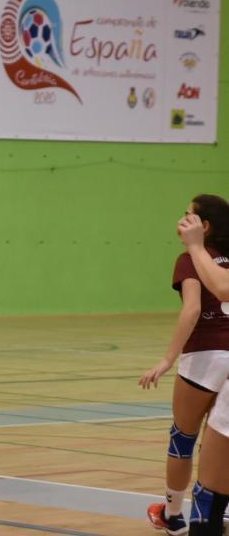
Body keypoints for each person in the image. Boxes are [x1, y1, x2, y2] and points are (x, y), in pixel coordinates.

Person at [140, 195, 229, 535]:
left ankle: (173, 515)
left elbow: (192, 311)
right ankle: (218, 509)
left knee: (183, 438)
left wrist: (167, 359)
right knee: (220, 442)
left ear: (204, 226)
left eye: (188, 215)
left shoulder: (191, 258)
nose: (181, 220)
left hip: (204, 358)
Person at [177, 207, 229, 536]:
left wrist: (195, 246)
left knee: (208, 493)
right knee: (209, 494)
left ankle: (173, 515)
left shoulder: (193, 257)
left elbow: (222, 288)